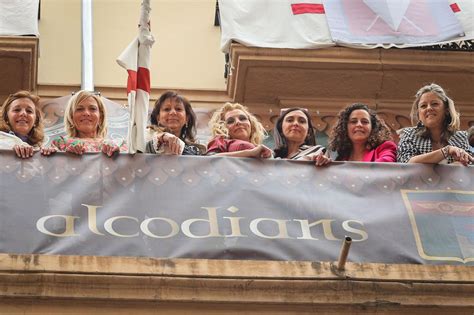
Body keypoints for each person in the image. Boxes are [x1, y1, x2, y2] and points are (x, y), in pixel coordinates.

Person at [397, 83, 472, 166]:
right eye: (423, 106)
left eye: (434, 104)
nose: (429, 108)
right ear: (419, 114)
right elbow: (405, 163)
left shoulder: (460, 137)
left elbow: (469, 165)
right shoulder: (409, 134)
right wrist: (446, 151)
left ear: (446, 109)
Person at [51, 90, 126, 156]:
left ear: (101, 117)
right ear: (71, 116)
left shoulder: (117, 144)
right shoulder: (59, 144)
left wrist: (116, 155)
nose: (86, 113)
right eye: (79, 109)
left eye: (92, 109)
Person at [329, 103, 396, 162]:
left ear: (373, 128)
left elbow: (385, 165)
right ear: (345, 127)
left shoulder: (385, 147)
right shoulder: (339, 156)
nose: (359, 125)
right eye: (353, 121)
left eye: (364, 122)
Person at [145, 91, 205, 155]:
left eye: (178, 109)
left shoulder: (195, 148)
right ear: (158, 118)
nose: (173, 112)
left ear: (187, 118)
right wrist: (162, 138)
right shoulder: (146, 135)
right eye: (167, 109)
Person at [0, 90, 54, 158]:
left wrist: (51, 158)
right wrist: (9, 150)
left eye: (29, 111)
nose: (23, 113)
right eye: (17, 110)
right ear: (6, 117)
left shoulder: (46, 145)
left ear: (35, 121)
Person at [206, 102, 272, 158]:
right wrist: (250, 153)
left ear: (251, 124)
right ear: (223, 127)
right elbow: (209, 158)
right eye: (230, 121)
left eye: (242, 118)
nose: (238, 122)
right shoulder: (221, 141)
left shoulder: (259, 148)